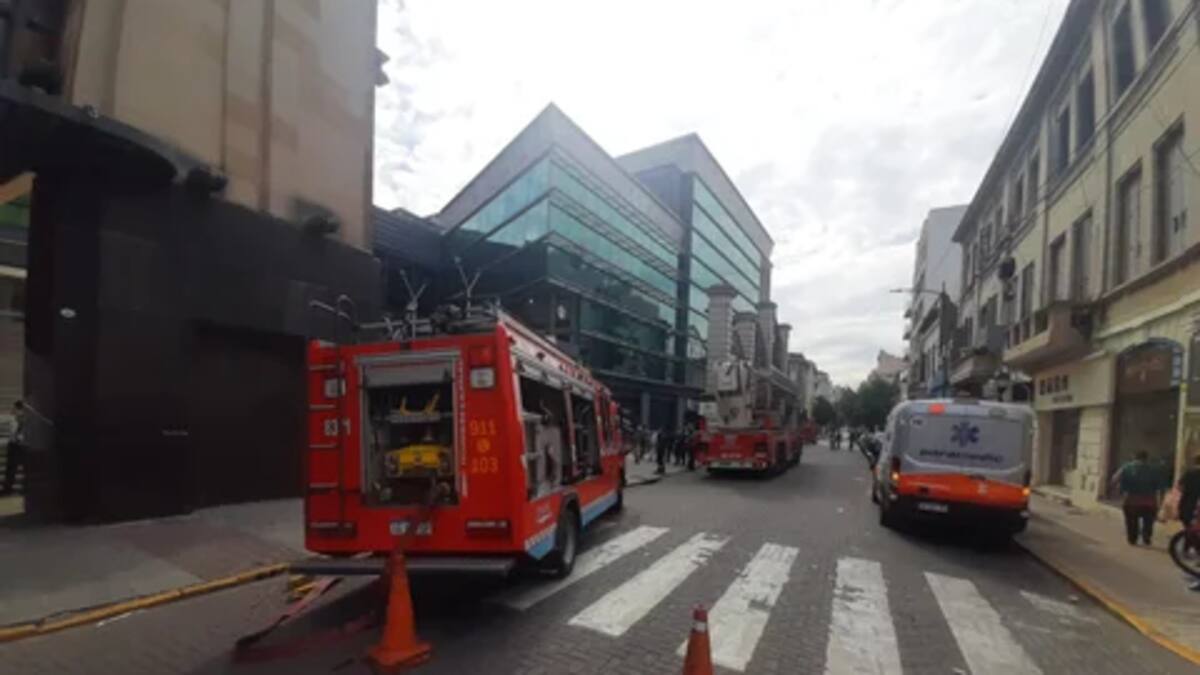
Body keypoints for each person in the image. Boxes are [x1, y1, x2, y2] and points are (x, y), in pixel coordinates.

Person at [1110, 451, 1165, 546]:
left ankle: (1132, 539)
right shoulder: (1155, 469)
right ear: (1146, 458)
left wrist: (1117, 491)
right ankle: (1146, 537)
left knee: (1131, 521)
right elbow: (1161, 488)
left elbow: (1114, 479)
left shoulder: (1126, 467)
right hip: (1150, 502)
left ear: (1134, 457)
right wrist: (1160, 503)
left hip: (1131, 500)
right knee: (1148, 522)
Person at [2, 400, 27, 496]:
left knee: (27, 468)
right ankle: (7, 490)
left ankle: (26, 490)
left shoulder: (28, 419)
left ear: (19, 409)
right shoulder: (11, 418)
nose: (12, 409)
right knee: (10, 469)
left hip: (24, 446)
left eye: (14, 408)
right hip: (13, 446)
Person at [1177, 455, 1200, 549]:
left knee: (1188, 526)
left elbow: (1180, 487)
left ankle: (1189, 546)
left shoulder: (1189, 473)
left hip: (1188, 504)